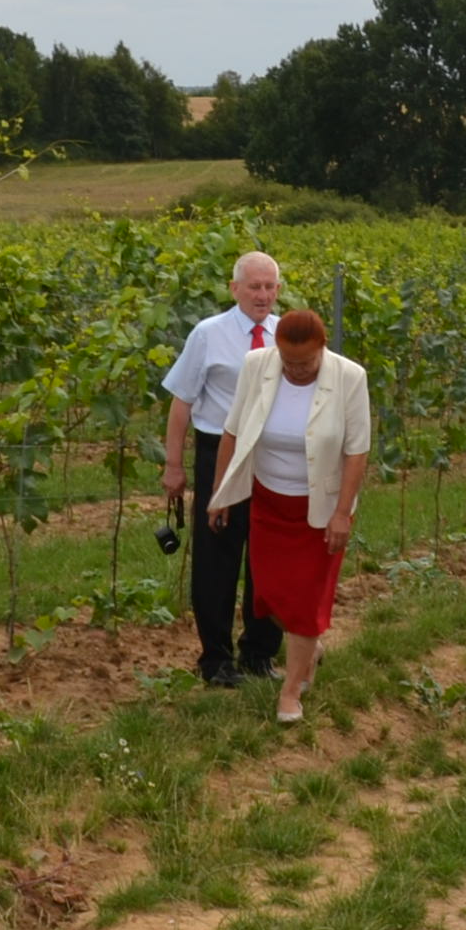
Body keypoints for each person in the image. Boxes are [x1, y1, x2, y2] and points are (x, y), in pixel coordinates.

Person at [207, 309, 373, 725]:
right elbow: (232, 431)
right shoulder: (257, 365)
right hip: (268, 502)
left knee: (304, 602)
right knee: (269, 597)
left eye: (305, 362)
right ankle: (309, 646)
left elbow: (356, 450)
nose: (296, 370)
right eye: (288, 361)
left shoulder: (349, 378)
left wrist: (342, 513)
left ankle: (291, 692)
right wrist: (220, 493)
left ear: (322, 349)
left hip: (320, 509)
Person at [160, 251, 288, 685]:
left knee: (270, 556)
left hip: (272, 455)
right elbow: (181, 401)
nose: (263, 295)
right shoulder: (208, 334)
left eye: (270, 287)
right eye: (254, 287)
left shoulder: (286, 334)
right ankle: (216, 660)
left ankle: (259, 653)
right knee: (217, 557)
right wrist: (173, 465)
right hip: (220, 454)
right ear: (234, 289)